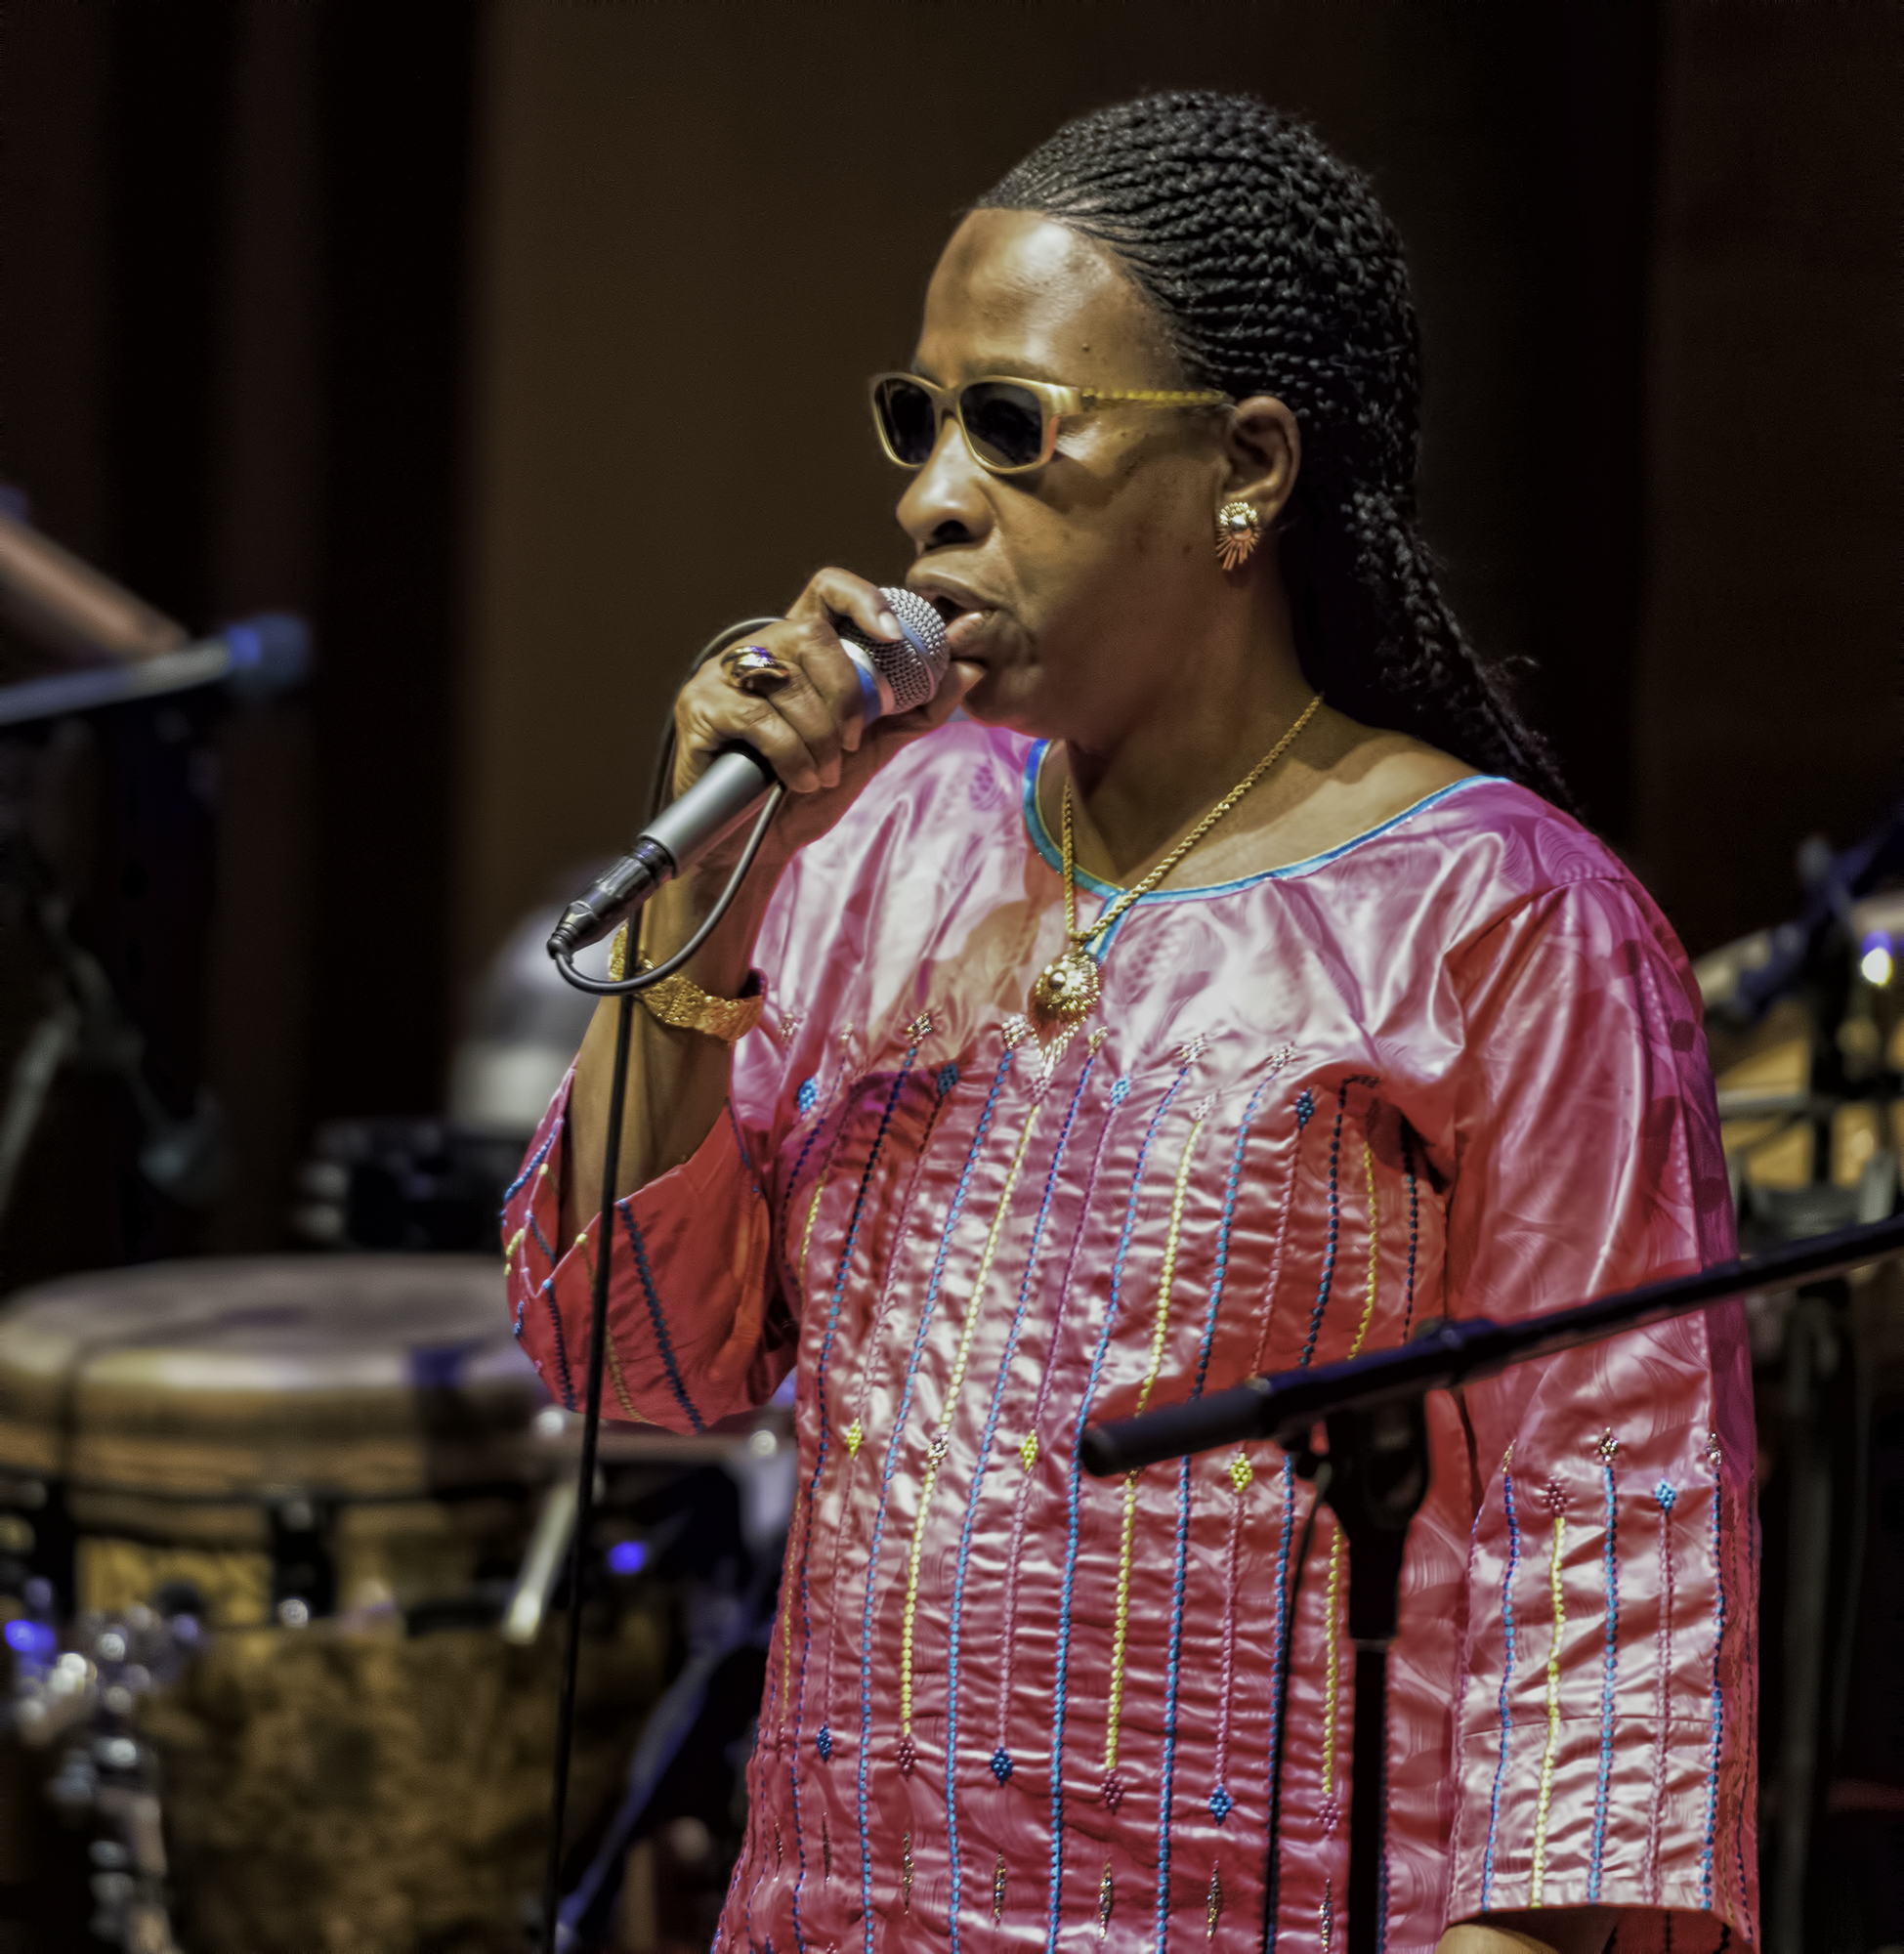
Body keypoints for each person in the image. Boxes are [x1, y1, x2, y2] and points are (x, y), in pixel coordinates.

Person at [504, 92, 1754, 1954]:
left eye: (1010, 427)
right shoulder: (884, 842)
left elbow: (1618, 1540)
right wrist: (721, 884)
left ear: (1247, 469)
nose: (931, 495)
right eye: (911, 422)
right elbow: (637, 1366)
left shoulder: (1502, 921)